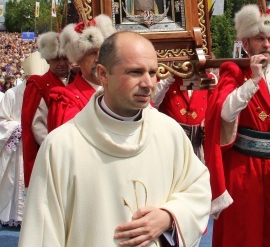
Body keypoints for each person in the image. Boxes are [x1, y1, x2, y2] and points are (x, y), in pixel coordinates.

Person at [20, 31, 211, 246]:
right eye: (135, 72)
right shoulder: (62, 146)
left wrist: (169, 217)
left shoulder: (168, 132)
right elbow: (43, 233)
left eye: (153, 72)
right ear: (103, 74)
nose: (148, 83)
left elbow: (198, 188)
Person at [204, 0, 270, 247]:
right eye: (260, 38)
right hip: (243, 167)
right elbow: (224, 113)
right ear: (246, 42)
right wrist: (253, 80)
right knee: (243, 230)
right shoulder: (234, 70)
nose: (266, 44)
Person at [0, 52, 48, 228]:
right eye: (31, 78)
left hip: (38, 145)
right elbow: (0, 120)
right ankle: (14, 215)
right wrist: (20, 129)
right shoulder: (12, 94)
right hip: (18, 147)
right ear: (25, 76)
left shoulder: (46, 92)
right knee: (15, 181)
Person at [46, 15, 115, 132]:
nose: (99, 58)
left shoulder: (119, 88)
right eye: (92, 53)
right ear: (78, 59)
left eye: (103, 51)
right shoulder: (66, 100)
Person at [21, 31, 70, 187]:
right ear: (48, 60)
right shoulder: (40, 85)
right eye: (56, 59)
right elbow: (37, 125)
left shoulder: (77, 81)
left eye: (65, 58)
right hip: (54, 153)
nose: (62, 63)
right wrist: (57, 149)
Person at [152, 73, 215, 158]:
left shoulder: (209, 78)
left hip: (195, 141)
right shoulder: (166, 77)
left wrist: (206, 119)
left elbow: (212, 104)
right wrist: (169, 76)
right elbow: (152, 102)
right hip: (169, 141)